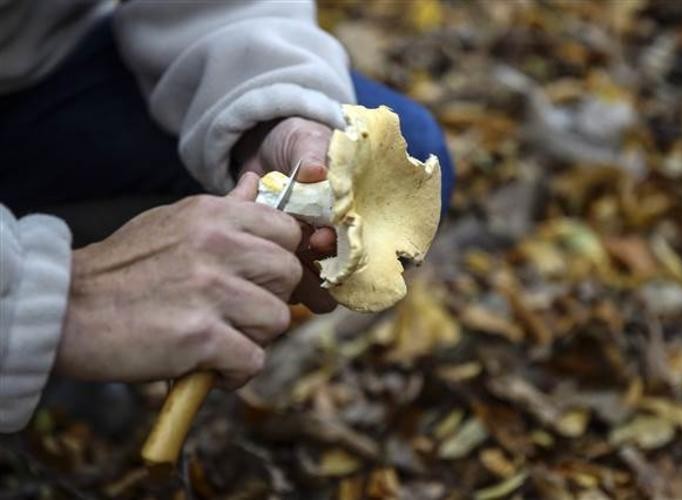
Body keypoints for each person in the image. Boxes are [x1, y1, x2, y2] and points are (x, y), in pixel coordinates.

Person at [0, 1, 454, 432]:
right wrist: (49, 297)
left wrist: (270, 113)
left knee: (405, 150)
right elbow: (45, 297)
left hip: (35, 73)